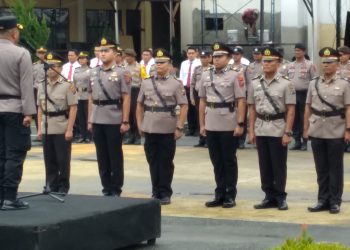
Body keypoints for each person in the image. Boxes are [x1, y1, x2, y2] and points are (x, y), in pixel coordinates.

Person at [136, 48, 188, 205]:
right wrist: (139, 124)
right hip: (150, 127)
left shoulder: (176, 84)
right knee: (152, 161)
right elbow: (139, 105)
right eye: (157, 62)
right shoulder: (146, 82)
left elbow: (184, 106)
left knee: (165, 161)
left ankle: (165, 192)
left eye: (162, 62)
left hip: (167, 128)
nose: (159, 65)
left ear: (170, 65)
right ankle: (155, 190)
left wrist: (179, 127)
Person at [199, 42, 246, 208]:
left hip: (228, 122)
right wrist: (202, 124)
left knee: (228, 160)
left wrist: (240, 123)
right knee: (216, 161)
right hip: (211, 121)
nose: (216, 59)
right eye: (215, 56)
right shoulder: (206, 75)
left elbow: (241, 101)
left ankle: (230, 194)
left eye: (220, 56)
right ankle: (219, 193)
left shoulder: (235, 75)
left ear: (228, 57)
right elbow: (202, 100)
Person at [248, 47, 296, 211]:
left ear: (279, 63)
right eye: (264, 61)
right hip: (261, 127)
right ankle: (268, 195)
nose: (266, 64)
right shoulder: (255, 82)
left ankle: (280, 196)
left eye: (270, 61)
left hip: (277, 127)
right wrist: (251, 131)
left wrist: (287, 132)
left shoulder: (286, 83)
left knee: (278, 164)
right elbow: (252, 108)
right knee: (265, 165)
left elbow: (290, 110)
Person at [304, 47, 350, 214]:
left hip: (336, 129)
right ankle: (322, 199)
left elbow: (348, 108)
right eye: (324, 62)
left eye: (330, 62)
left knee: (335, 168)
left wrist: (348, 130)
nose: (327, 65)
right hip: (317, 129)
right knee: (321, 168)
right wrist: (305, 128)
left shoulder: (344, 84)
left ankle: (335, 201)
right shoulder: (313, 83)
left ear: (337, 64)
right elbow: (308, 107)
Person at [0, 15, 36, 210]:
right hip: (14, 108)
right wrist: (28, 113)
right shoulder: (21, 53)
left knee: (0, 153)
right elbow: (26, 86)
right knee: (15, 153)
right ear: (14, 32)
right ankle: (10, 197)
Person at [88, 37, 131, 197]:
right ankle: (106, 186)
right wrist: (89, 119)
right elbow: (90, 98)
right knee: (101, 155)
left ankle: (116, 187)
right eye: (101, 51)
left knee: (114, 155)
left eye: (106, 51)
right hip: (98, 117)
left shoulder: (121, 72)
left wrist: (125, 120)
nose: (103, 54)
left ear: (115, 53)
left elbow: (126, 97)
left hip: (114, 117)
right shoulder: (93, 72)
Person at [37, 52, 78, 195]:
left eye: (52, 66)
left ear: (60, 68)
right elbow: (40, 108)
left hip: (61, 126)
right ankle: (51, 184)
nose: (49, 69)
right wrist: (39, 128)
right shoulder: (42, 86)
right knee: (49, 159)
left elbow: (73, 108)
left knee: (63, 159)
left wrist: (69, 129)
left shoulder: (68, 85)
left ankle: (63, 186)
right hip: (47, 126)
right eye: (47, 66)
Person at [287, 44, 317, 151]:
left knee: (304, 116)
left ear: (304, 52)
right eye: (295, 51)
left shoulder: (310, 65)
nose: (297, 53)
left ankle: (305, 140)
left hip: (305, 94)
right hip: (292, 94)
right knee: (294, 118)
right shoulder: (290, 65)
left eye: (299, 51)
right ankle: (297, 141)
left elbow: (314, 80)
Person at [190, 51, 212, 148]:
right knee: (199, 117)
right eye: (202, 57)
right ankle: (201, 139)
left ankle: (208, 139)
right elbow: (192, 84)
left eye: (205, 57)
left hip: (209, 96)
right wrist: (191, 97)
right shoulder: (197, 69)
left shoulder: (213, 69)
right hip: (197, 95)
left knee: (208, 117)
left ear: (209, 58)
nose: (203, 59)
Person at [231, 46, 250, 149]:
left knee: (242, 117)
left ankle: (242, 140)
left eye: (237, 54)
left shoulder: (245, 67)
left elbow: (249, 83)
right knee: (233, 116)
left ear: (241, 55)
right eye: (233, 54)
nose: (235, 56)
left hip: (242, 95)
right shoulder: (228, 67)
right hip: (231, 96)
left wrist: (249, 96)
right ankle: (234, 138)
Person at [179, 46, 201, 136]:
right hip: (185, 87)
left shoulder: (199, 63)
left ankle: (197, 128)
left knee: (196, 108)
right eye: (189, 53)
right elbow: (181, 76)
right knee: (188, 108)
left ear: (196, 53)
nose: (190, 55)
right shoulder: (184, 63)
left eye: (192, 53)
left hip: (195, 88)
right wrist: (181, 87)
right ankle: (190, 128)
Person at [124, 48, 142, 145]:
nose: (126, 58)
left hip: (136, 90)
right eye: (125, 56)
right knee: (128, 113)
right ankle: (130, 134)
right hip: (127, 90)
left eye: (128, 56)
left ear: (132, 56)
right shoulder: (124, 66)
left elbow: (143, 79)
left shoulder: (139, 67)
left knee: (136, 113)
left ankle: (137, 135)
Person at [73, 51, 92, 143]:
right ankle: (82, 135)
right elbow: (74, 82)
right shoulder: (76, 70)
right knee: (80, 116)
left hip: (87, 94)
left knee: (87, 115)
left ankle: (89, 135)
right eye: (80, 58)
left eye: (83, 58)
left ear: (87, 59)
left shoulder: (91, 70)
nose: (81, 60)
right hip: (78, 95)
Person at [33, 46, 47, 131]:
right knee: (36, 111)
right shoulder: (33, 65)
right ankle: (39, 130)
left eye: (42, 53)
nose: (41, 55)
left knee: (45, 109)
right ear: (36, 54)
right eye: (39, 53)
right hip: (35, 89)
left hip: (45, 89)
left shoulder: (48, 64)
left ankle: (45, 130)